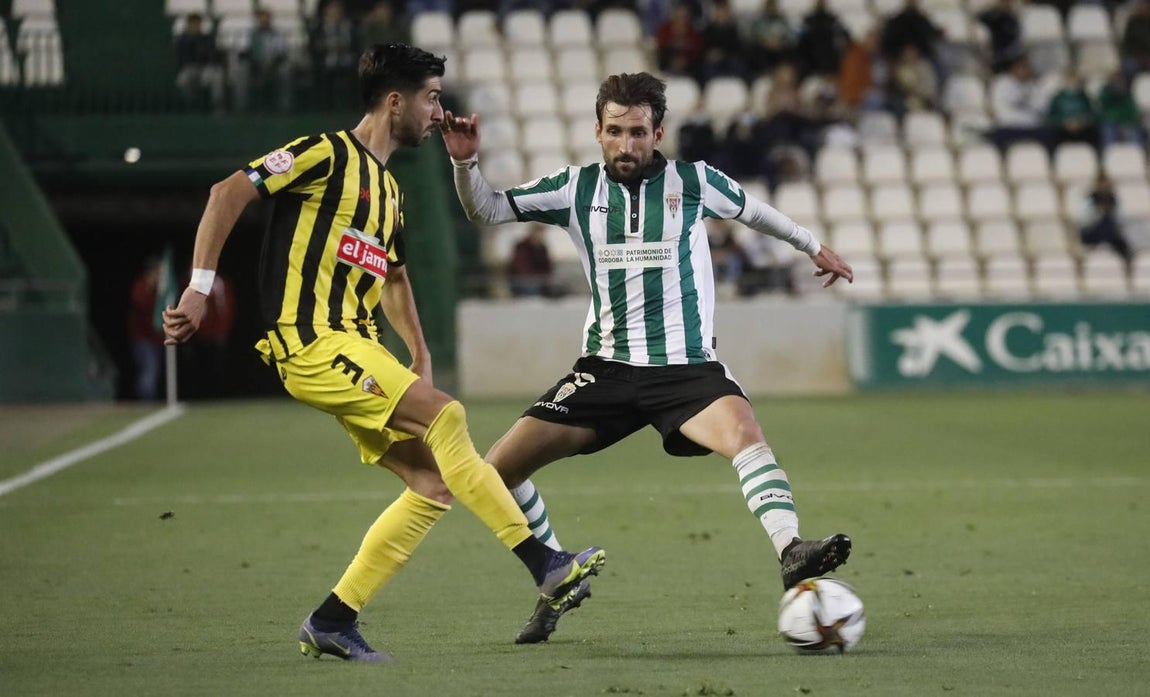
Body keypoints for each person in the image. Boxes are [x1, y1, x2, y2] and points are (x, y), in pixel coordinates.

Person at [161, 43, 605, 663]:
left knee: (431, 481)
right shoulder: (323, 153)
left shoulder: (391, 192)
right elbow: (225, 194)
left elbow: (392, 277)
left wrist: (419, 351)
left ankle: (333, 619)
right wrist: (200, 288)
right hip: (310, 339)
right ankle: (544, 563)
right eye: (431, 98)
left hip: (359, 348)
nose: (437, 111)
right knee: (448, 417)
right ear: (395, 101)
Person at [441, 72, 855, 644]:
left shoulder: (695, 182)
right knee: (497, 472)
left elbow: (757, 212)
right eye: (615, 132)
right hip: (604, 369)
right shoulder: (575, 188)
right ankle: (556, 572)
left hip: (686, 368)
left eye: (638, 132)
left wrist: (815, 247)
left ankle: (790, 549)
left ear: (657, 132)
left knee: (746, 434)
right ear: (598, 131)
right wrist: (466, 165)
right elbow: (486, 210)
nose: (626, 145)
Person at [128, 257, 166, 401]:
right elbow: (141, 304)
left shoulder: (161, 290)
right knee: (148, 370)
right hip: (142, 338)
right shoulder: (141, 286)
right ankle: (144, 402)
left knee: (154, 371)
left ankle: (148, 400)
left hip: (157, 338)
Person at [1077, 172, 1134, 263]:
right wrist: (1098, 212)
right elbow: (1083, 221)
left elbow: (1121, 220)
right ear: (1096, 184)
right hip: (1091, 232)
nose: (1103, 186)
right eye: (1101, 184)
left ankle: (1126, 260)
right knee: (1104, 223)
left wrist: (1111, 212)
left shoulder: (1113, 199)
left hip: (1110, 231)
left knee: (1109, 225)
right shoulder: (1090, 198)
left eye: (1105, 183)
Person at [174, 13, 225, 112]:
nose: (195, 26)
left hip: (206, 69)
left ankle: (218, 107)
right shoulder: (182, 40)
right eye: (192, 24)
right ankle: (191, 106)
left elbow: (213, 56)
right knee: (183, 80)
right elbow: (182, 59)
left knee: (217, 76)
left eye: (197, 23)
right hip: (190, 69)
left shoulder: (206, 38)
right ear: (188, 25)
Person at [509, 224, 558, 297]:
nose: (541, 235)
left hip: (540, 281)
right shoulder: (522, 246)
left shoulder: (542, 248)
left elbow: (548, 267)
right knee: (532, 291)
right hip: (523, 282)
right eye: (540, 232)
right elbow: (522, 268)